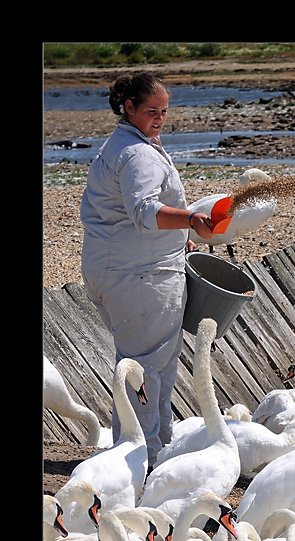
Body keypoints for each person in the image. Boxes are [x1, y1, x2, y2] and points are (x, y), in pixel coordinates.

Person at [80, 72, 215, 467]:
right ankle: (143, 463)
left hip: (115, 269)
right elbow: (143, 211)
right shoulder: (138, 154)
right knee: (147, 369)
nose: (160, 118)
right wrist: (191, 219)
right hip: (141, 277)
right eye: (152, 111)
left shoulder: (125, 145)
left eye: (165, 111)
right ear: (130, 108)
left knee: (150, 363)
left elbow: (124, 212)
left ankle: (154, 453)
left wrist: (180, 236)